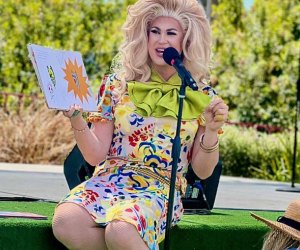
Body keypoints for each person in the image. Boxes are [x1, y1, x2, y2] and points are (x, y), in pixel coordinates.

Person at [52, 0, 229, 249]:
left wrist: (211, 131)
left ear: (186, 40)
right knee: (66, 222)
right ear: (143, 36)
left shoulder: (201, 95)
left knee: (121, 229)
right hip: (110, 177)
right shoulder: (116, 85)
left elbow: (202, 172)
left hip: (161, 187)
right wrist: (76, 119)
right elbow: (94, 156)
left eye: (171, 33)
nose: (161, 40)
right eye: (154, 32)